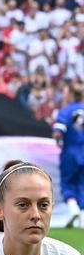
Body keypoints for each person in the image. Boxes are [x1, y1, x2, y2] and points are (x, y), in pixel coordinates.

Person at [52, 83, 84, 227]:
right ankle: (82, 216)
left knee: (68, 181)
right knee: (82, 183)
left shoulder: (65, 111)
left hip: (70, 151)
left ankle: (73, 208)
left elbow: (58, 131)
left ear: (70, 94)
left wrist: (58, 141)